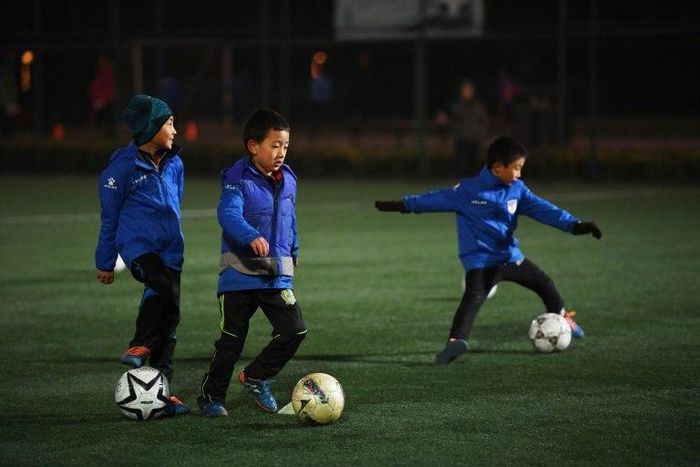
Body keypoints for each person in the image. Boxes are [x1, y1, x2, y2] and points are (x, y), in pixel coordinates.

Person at [375, 136, 601, 364]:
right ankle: (456, 342)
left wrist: (575, 225)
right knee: (473, 297)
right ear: (497, 168)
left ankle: (562, 318)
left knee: (543, 283)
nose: (519, 174)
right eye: (516, 168)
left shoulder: (517, 190)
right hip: (480, 261)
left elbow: (546, 210)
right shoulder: (467, 191)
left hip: (509, 257)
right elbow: (433, 199)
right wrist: (402, 205)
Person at [198, 109, 307, 417]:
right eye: (274, 145)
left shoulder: (289, 179)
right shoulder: (238, 178)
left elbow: (290, 218)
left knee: (295, 331)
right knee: (232, 340)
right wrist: (249, 236)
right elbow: (228, 214)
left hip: (275, 274)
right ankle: (211, 397)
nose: (281, 152)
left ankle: (257, 375)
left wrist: (294, 249)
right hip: (240, 275)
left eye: (285, 146)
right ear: (252, 146)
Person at [94, 94, 189, 416]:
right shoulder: (121, 167)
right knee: (161, 285)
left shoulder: (175, 162)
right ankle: (140, 343)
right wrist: (105, 261)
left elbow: (174, 205)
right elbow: (109, 218)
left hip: (172, 251)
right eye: (169, 123)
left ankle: (161, 393)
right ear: (150, 129)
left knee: (171, 320)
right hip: (138, 248)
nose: (176, 130)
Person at [448, 79, 489, 174]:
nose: (467, 93)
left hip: (474, 138)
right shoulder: (457, 105)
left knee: (473, 165)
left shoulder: (478, 106)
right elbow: (451, 120)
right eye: (465, 90)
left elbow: (484, 121)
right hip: (461, 138)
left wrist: (481, 134)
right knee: (461, 165)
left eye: (469, 90)